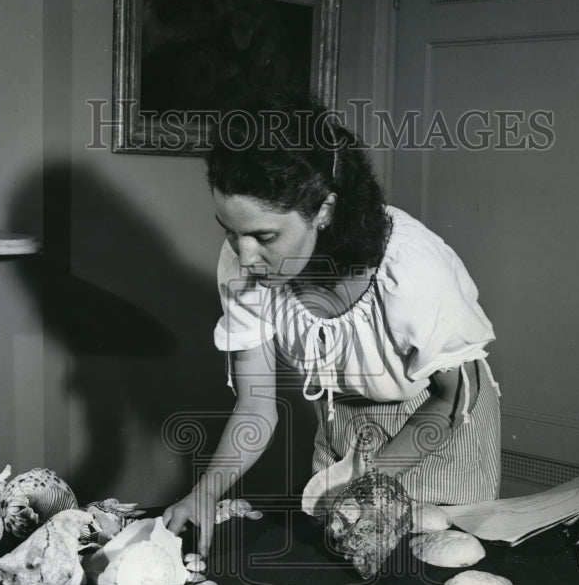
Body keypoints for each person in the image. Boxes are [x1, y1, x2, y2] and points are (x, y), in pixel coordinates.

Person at [163, 92, 501, 556]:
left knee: (435, 564)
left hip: (435, 427)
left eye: (264, 236)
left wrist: (373, 480)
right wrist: (204, 492)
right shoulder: (245, 264)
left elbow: (453, 395)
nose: (244, 255)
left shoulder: (411, 267)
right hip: (342, 426)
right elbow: (255, 409)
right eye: (229, 230)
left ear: (323, 210)